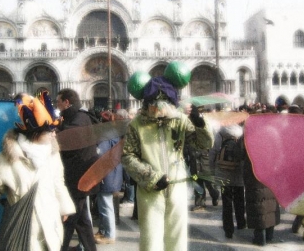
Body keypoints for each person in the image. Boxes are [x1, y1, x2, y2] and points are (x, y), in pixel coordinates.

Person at [122, 70, 214, 251]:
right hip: (150, 189)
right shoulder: (137, 124)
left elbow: (204, 144)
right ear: (148, 104)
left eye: (165, 104)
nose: (161, 109)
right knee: (151, 239)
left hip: (177, 185)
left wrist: (199, 121)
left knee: (177, 238)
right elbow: (127, 156)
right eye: (156, 104)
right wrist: (152, 178)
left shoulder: (179, 120)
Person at [0, 91, 76, 251]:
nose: (54, 134)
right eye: (49, 131)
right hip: (23, 231)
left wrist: (64, 206)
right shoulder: (6, 159)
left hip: (50, 226)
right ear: (36, 133)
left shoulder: (53, 154)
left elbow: (58, 181)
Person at [56, 88, 99, 251]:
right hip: (78, 175)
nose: (57, 104)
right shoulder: (76, 117)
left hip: (79, 177)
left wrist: (56, 133)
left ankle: (61, 246)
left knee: (70, 217)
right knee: (82, 220)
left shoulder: (80, 119)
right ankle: (89, 248)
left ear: (67, 102)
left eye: (59, 101)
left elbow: (70, 141)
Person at [93, 110, 124, 245]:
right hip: (114, 173)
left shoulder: (105, 135)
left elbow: (100, 154)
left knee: (105, 205)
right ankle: (104, 230)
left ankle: (109, 234)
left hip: (107, 174)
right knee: (106, 203)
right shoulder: (115, 133)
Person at [211, 124, 246, 239]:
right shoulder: (242, 133)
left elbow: (214, 151)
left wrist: (212, 170)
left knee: (226, 203)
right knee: (239, 200)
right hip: (238, 172)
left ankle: (228, 229)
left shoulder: (220, 133)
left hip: (223, 174)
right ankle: (241, 223)